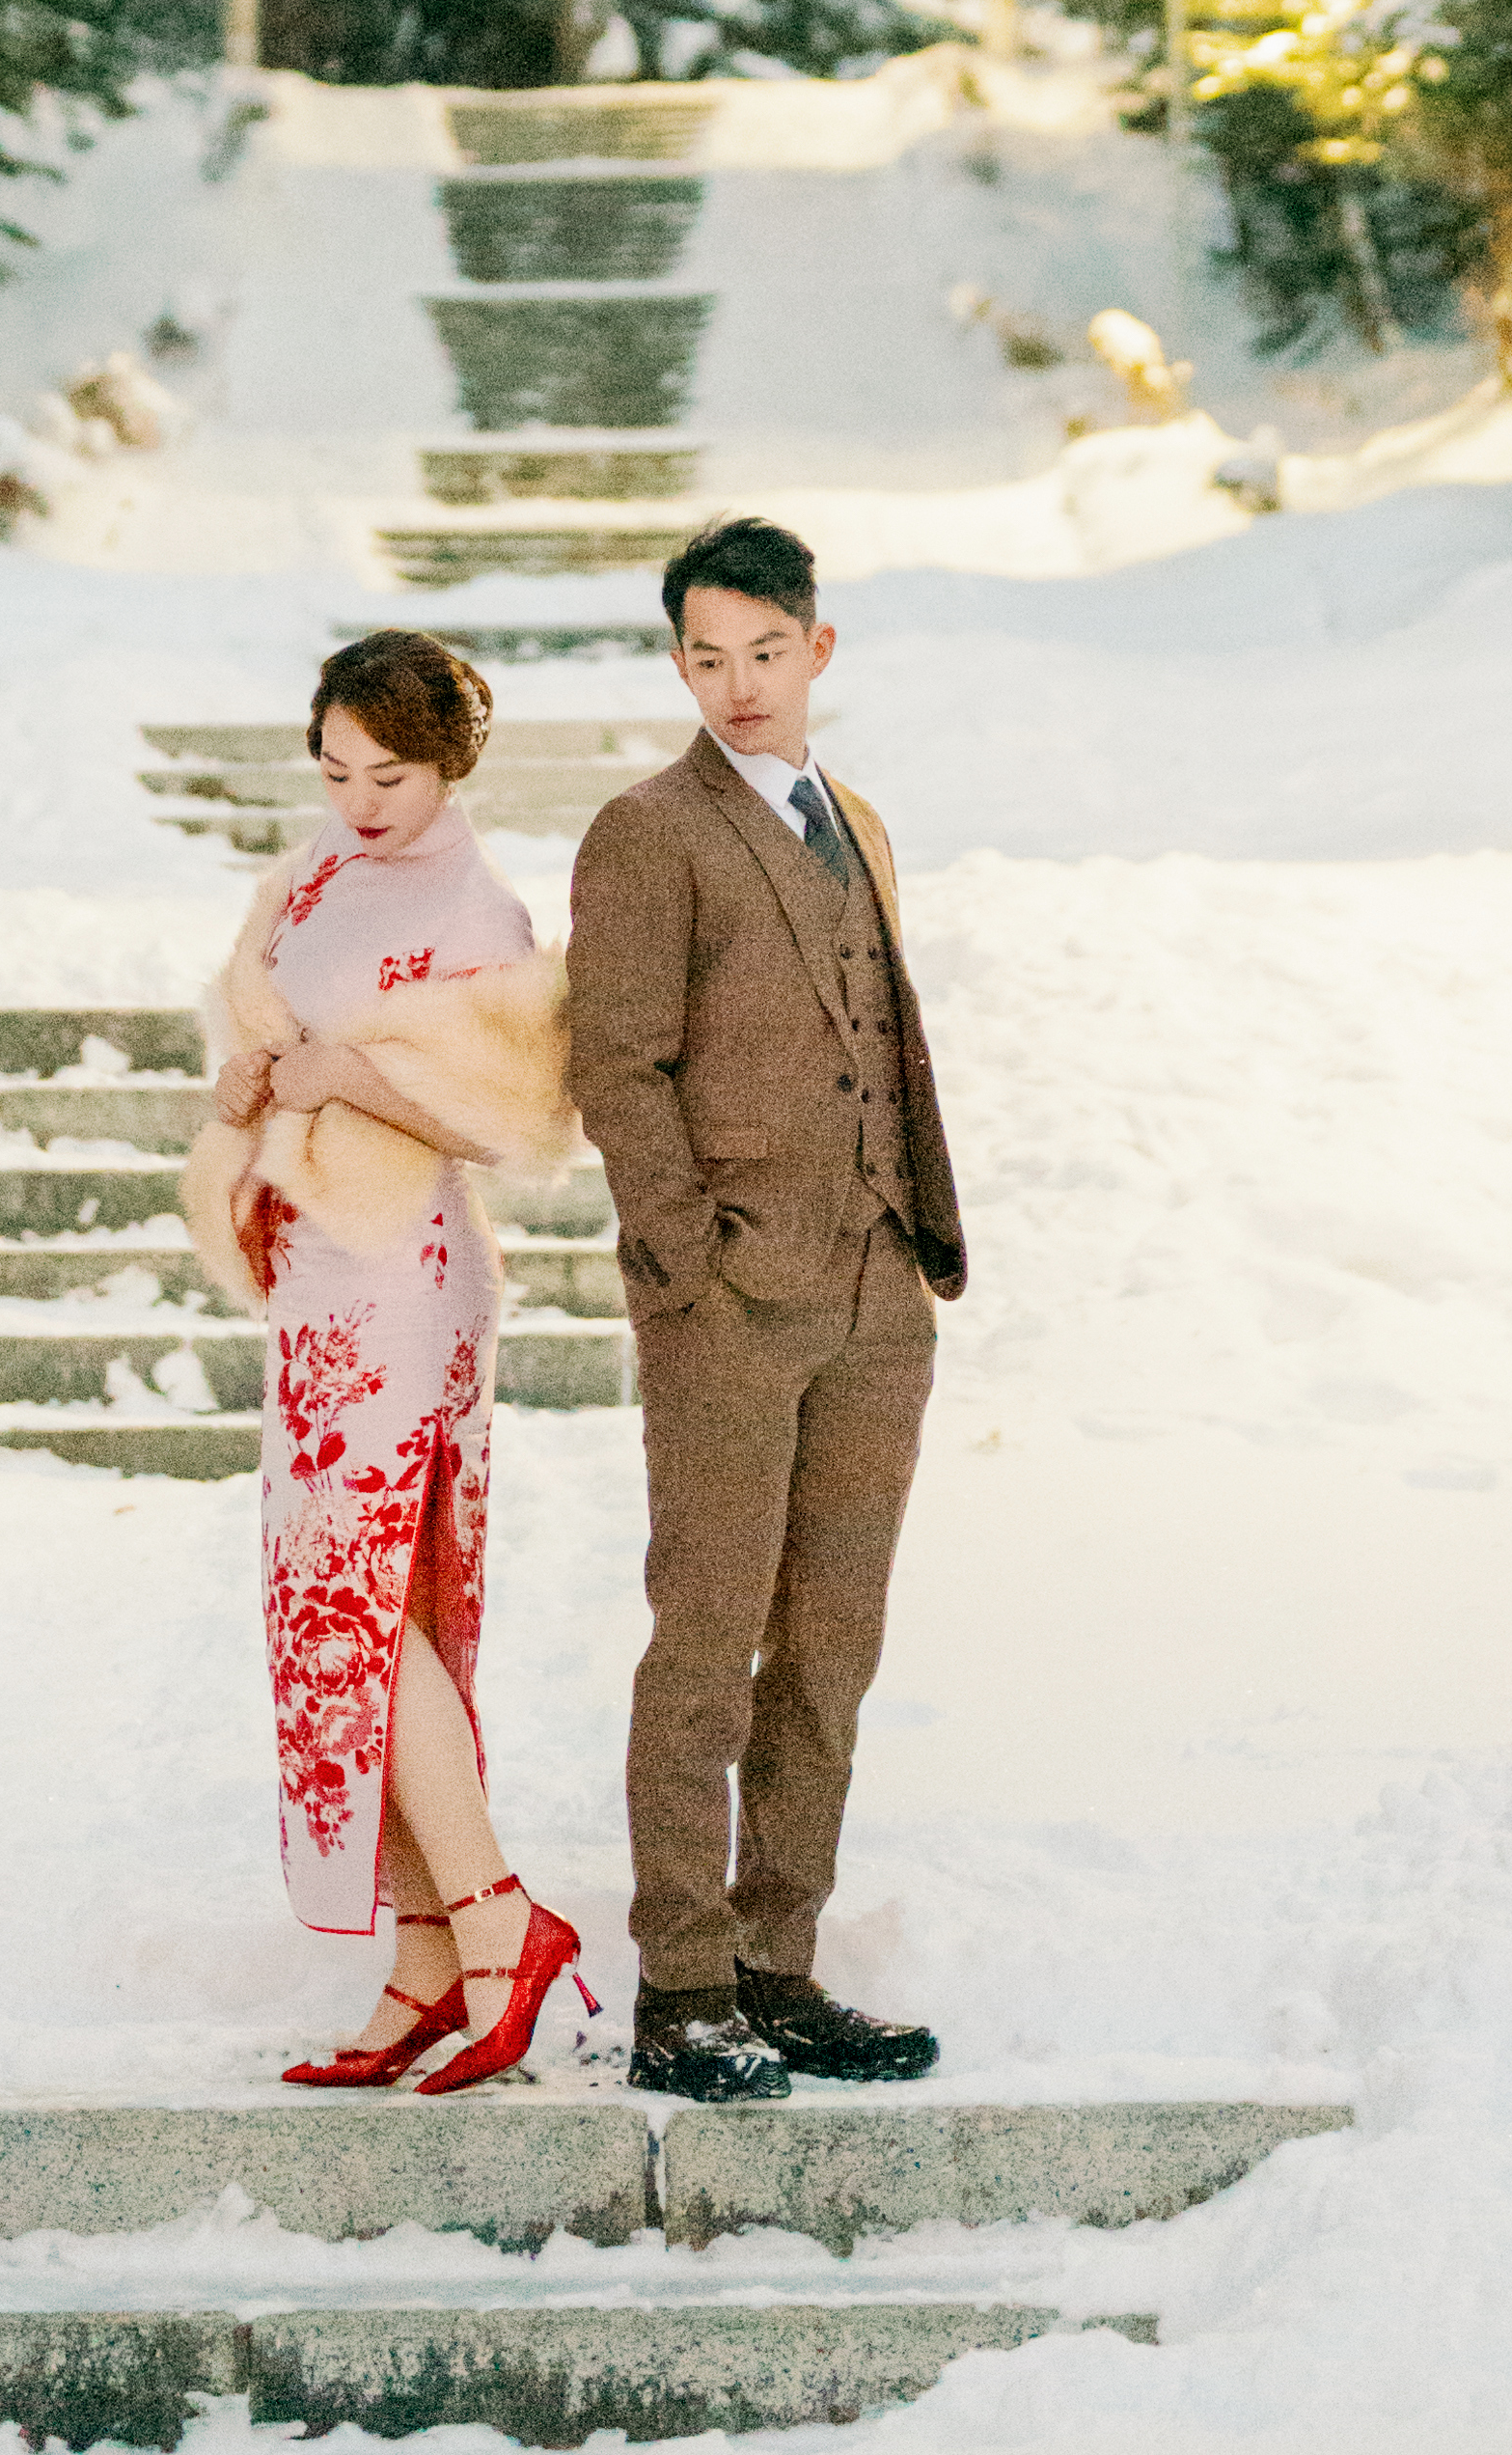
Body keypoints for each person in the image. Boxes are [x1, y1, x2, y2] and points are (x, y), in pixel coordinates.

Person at [564, 512, 966, 2104]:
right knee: (708, 1636)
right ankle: (678, 1982)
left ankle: (778, 1962)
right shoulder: (646, 830)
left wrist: (914, 1232)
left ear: (818, 649)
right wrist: (685, 1259)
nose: (736, 684)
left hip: (875, 1286)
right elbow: (617, 1061)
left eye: (763, 652)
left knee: (831, 1642)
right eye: (704, 657)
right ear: (679, 663)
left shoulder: (849, 814)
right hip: (732, 1290)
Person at [182, 625, 596, 2090]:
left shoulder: (480, 909)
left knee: (361, 1590)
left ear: (453, 762)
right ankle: (428, 1952)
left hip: (409, 1271)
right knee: (334, 1595)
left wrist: (346, 1074)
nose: (363, 799)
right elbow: (276, 1023)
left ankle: (498, 1923)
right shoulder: (309, 872)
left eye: (394, 774)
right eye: (339, 766)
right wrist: (253, 1081)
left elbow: (514, 1117)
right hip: (320, 1272)